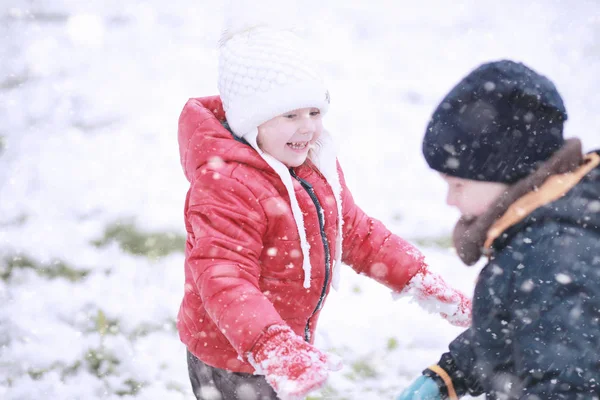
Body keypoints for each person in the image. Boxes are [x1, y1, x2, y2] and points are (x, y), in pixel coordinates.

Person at [176, 20, 471, 400]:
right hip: (231, 355)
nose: (307, 128)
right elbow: (223, 278)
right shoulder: (228, 185)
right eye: (290, 115)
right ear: (250, 118)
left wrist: (420, 280)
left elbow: (356, 232)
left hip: (283, 346)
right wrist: (273, 346)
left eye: (314, 112)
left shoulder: (314, 165)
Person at [396, 60, 600, 400]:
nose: (449, 200)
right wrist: (452, 373)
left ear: (505, 174)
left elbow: (567, 386)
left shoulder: (554, 255)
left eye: (458, 185)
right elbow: (521, 329)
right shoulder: (539, 231)